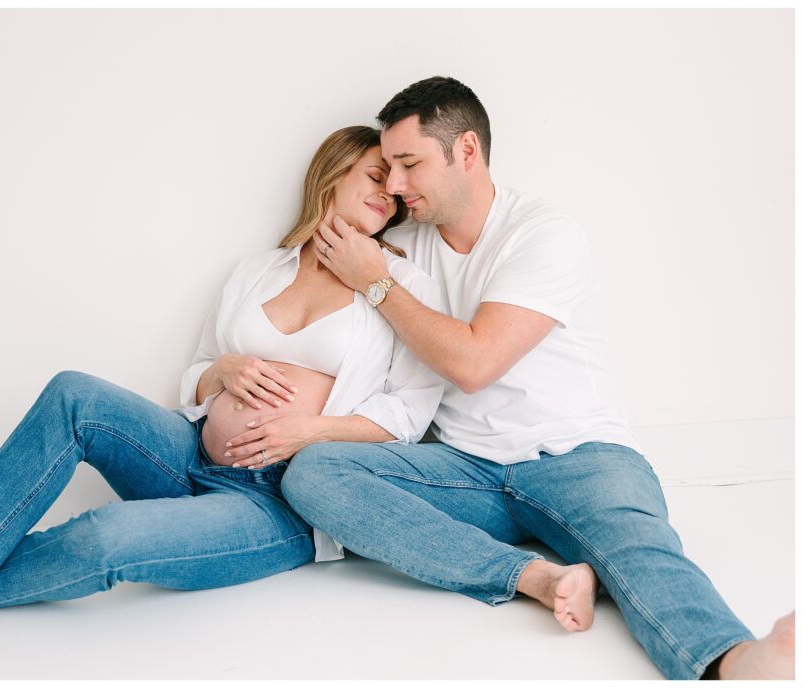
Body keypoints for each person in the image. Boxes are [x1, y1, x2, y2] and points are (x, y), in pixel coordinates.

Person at [0, 125, 446, 665]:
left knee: (108, 539)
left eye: (396, 186)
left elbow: (408, 416)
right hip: (189, 456)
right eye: (374, 173)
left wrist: (306, 431)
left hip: (277, 503)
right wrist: (223, 371)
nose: (388, 190)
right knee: (74, 393)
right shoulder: (261, 269)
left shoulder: (399, 284)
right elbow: (195, 376)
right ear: (331, 173)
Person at [280, 77, 795, 680]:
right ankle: (532, 576)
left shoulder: (543, 234)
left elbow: (475, 364)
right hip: (466, 467)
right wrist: (228, 372)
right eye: (387, 167)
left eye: (409, 164)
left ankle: (734, 661)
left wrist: (377, 282)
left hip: (578, 455)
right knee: (316, 470)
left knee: (638, 548)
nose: (394, 186)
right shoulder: (400, 246)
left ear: (466, 152)